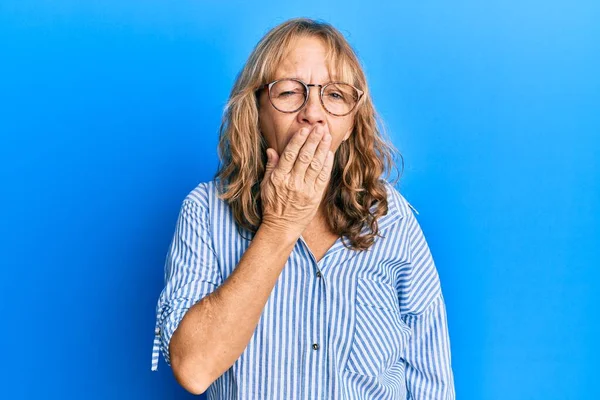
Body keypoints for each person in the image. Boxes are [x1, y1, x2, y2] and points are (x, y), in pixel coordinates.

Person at [150, 17, 455, 399]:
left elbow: (431, 379)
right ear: (257, 112)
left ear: (351, 122)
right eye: (291, 92)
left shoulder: (391, 218)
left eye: (335, 95)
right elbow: (194, 369)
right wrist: (281, 224)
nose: (313, 112)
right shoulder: (205, 212)